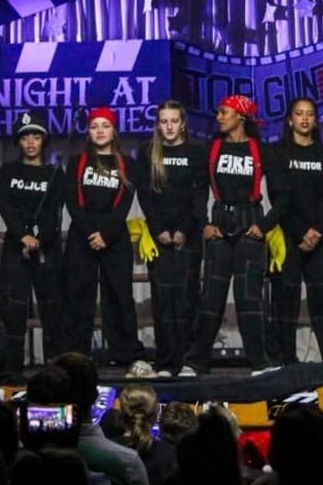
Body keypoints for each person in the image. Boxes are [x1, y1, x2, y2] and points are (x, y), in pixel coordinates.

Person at [182, 95, 289, 376]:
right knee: (211, 297)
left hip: (249, 223)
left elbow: (284, 195)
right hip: (219, 224)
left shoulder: (260, 150)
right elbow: (197, 192)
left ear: (240, 117)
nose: (218, 117)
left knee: (248, 298)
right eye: (218, 112)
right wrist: (205, 224)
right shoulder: (212, 148)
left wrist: (264, 225)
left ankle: (261, 363)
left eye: (224, 112)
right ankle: (196, 362)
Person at [268, 97, 323, 364]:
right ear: (290, 120)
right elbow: (279, 196)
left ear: (315, 120)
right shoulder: (277, 152)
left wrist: (317, 230)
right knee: (284, 302)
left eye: (310, 114)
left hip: (318, 238)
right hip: (288, 236)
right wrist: (301, 231)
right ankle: (284, 362)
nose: (304, 118)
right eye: (299, 114)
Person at [63, 107, 144, 370]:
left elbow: (125, 205)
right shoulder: (76, 162)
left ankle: (125, 353)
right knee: (78, 296)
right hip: (82, 235)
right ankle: (76, 355)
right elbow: (72, 203)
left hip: (114, 235)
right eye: (94, 126)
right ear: (88, 132)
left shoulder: (128, 164)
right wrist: (91, 233)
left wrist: (106, 234)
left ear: (114, 131)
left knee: (119, 296)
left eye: (105, 126)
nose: (100, 131)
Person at [134, 100, 208, 377]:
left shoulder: (196, 151)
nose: (169, 126)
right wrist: (159, 230)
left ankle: (187, 360)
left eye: (174, 121)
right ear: (158, 124)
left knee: (188, 297)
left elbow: (199, 195)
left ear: (183, 123)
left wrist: (184, 230)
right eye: (164, 121)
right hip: (159, 235)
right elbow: (145, 195)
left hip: (188, 233)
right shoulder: (147, 153)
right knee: (163, 299)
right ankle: (165, 362)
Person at [0, 110, 67, 373]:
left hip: (47, 249)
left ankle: (55, 370)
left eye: (36, 136)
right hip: (15, 248)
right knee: (12, 310)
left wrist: (37, 240)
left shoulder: (55, 173)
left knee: (52, 312)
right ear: (19, 142)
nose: (31, 143)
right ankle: (11, 368)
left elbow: (55, 214)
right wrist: (22, 236)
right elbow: (4, 205)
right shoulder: (8, 170)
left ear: (43, 140)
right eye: (25, 138)